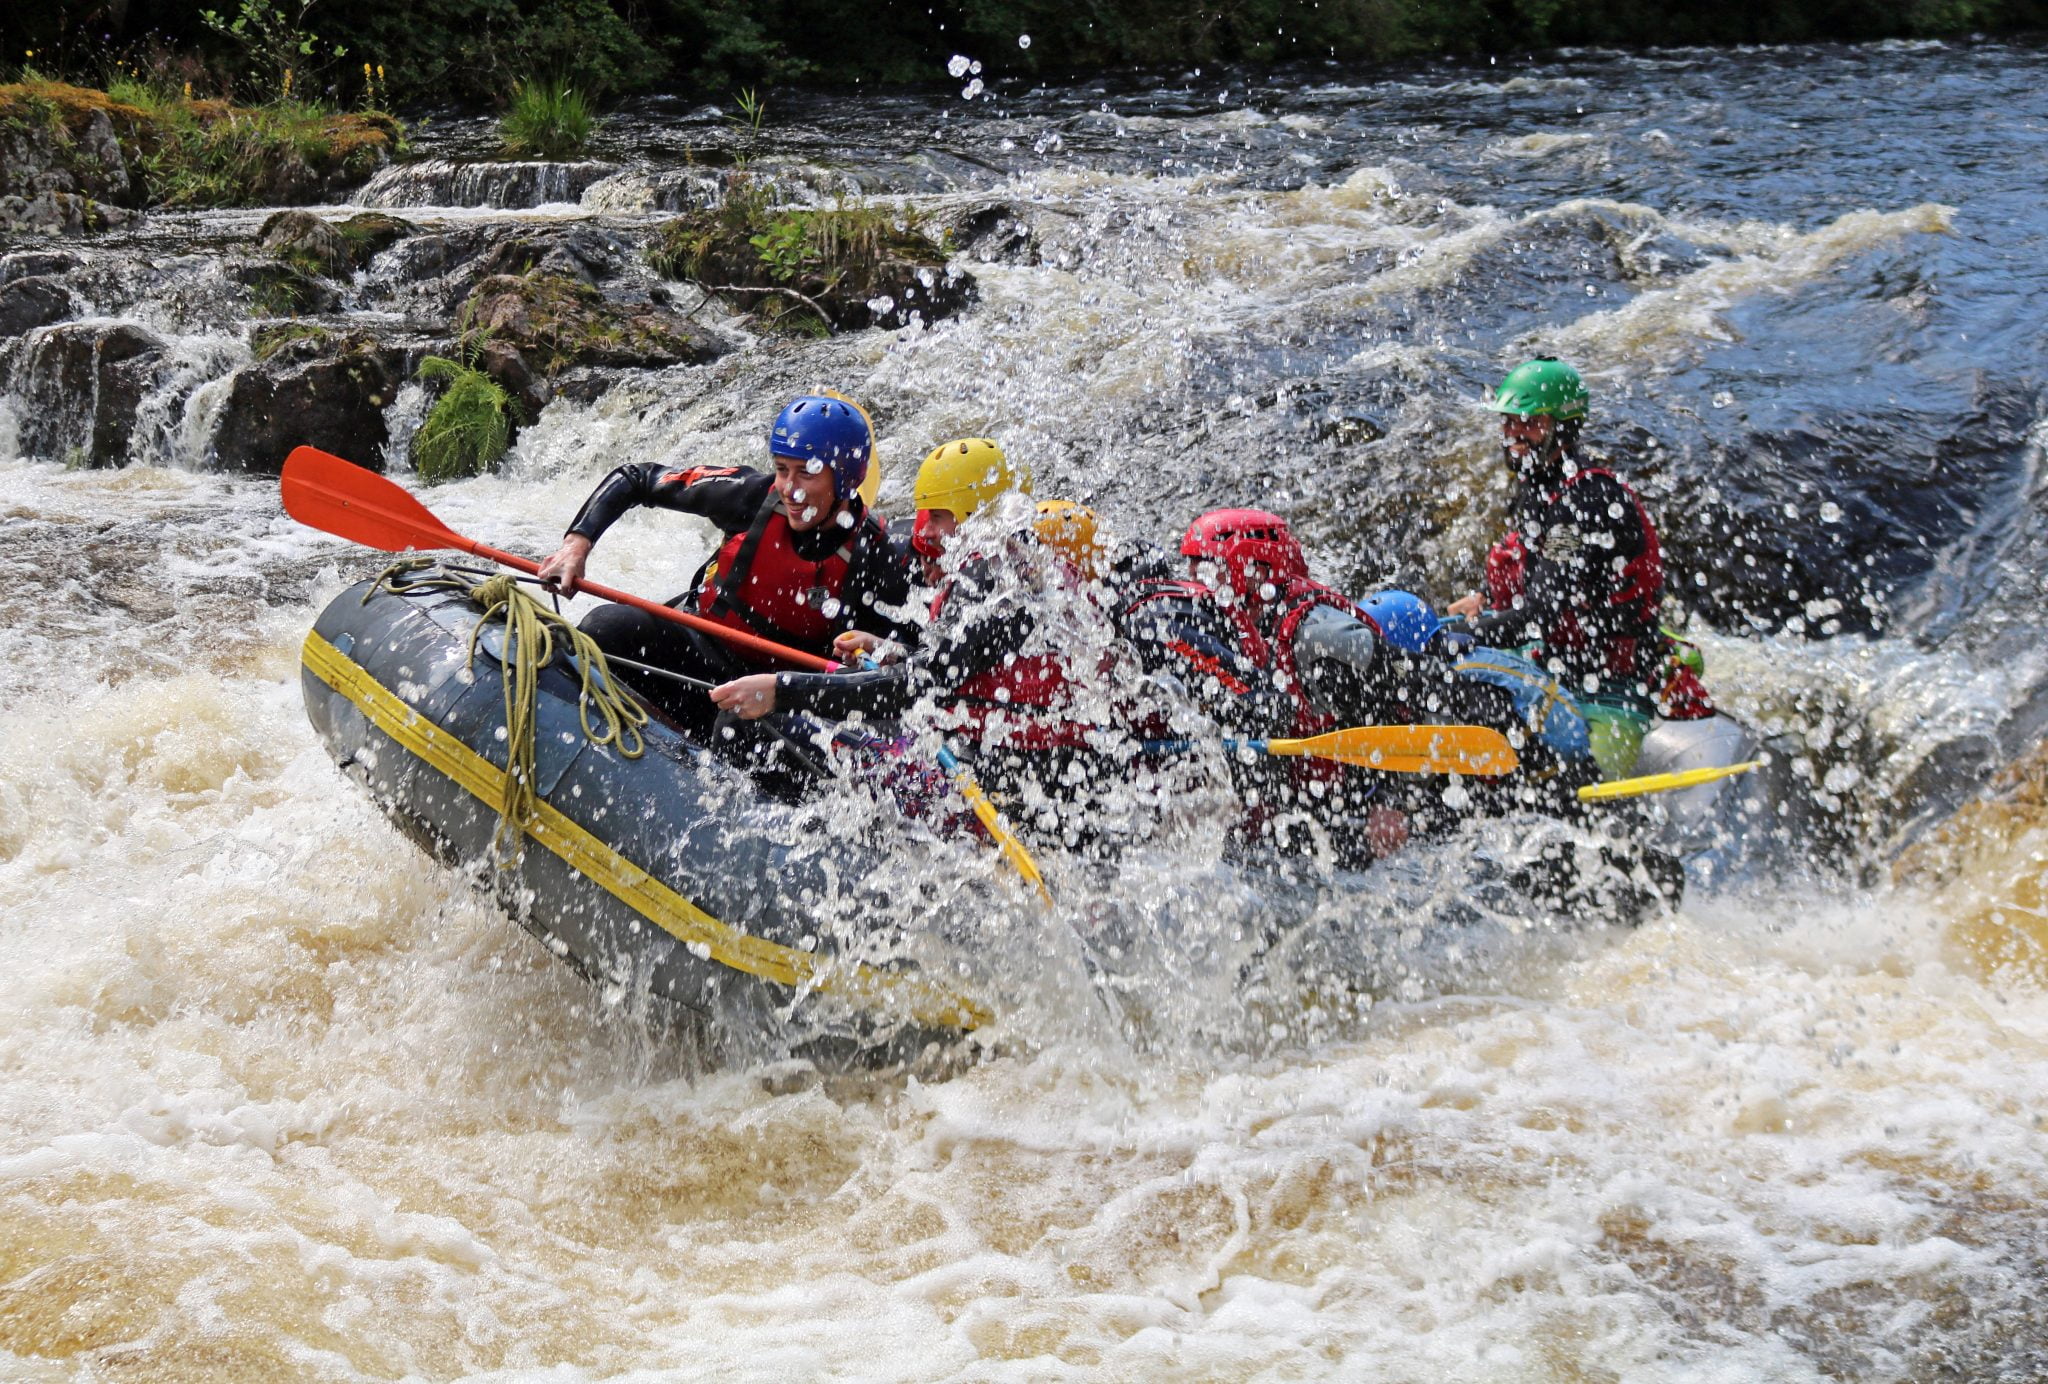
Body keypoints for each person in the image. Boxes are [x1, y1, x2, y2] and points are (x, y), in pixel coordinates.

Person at [534, 394, 916, 737]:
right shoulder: (751, 496)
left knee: (739, 727)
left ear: (846, 478)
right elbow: (638, 479)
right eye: (783, 469)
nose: (790, 488)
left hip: (774, 697)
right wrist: (576, 546)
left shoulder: (876, 556)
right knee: (607, 626)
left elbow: (905, 668)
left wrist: (881, 648)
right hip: (697, 655)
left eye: (807, 473)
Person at [1444, 356, 1666, 775]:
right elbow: (1540, 569)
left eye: (1529, 423)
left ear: (1562, 426)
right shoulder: (1539, 486)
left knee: (1585, 789)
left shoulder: (1587, 499)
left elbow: (1542, 613)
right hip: (1552, 662)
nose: (1513, 435)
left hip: (1611, 688)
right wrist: (1485, 599)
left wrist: (1459, 636)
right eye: (1508, 422)